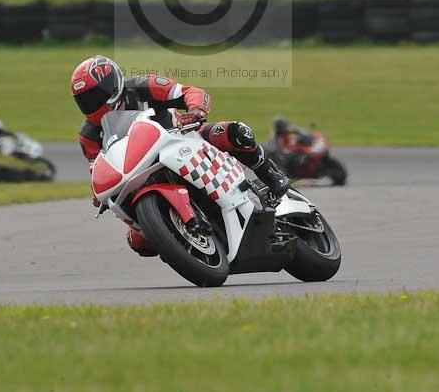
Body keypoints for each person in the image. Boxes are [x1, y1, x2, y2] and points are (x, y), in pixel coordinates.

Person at [71, 55, 291, 256]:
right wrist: (98, 190)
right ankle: (185, 245)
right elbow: (97, 166)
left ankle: (270, 175)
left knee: (235, 133)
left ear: (112, 85)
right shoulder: (88, 134)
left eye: (95, 95)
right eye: (85, 100)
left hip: (185, 139)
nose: (92, 104)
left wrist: (196, 111)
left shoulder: (143, 86)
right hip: (140, 171)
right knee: (139, 242)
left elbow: (189, 92)